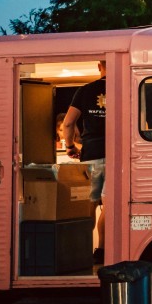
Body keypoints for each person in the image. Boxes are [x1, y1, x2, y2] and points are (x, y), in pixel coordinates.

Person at [61, 60, 107, 263]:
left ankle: (82, 251)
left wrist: (70, 146)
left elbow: (68, 122)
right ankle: (103, 250)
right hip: (118, 155)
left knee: (89, 204)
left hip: (92, 154)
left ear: (99, 66)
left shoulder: (85, 90)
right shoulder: (125, 85)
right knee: (110, 207)